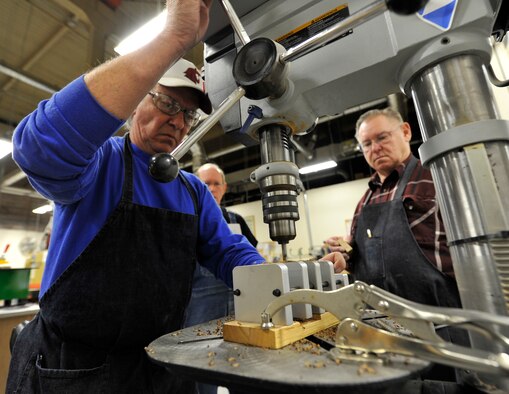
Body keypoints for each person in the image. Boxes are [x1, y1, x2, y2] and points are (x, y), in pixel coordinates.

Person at [5, 2, 267, 393]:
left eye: (188, 115)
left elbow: (230, 252)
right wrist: (172, 38)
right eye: (168, 103)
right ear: (134, 100)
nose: (178, 122)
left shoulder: (191, 189)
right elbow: (38, 148)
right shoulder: (97, 165)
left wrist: (281, 284)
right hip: (75, 371)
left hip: (161, 367)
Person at [325, 107, 466, 381]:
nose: (375, 148)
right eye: (367, 143)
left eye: (382, 138)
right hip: (382, 333)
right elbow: (357, 251)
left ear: (405, 131)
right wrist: (343, 256)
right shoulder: (364, 199)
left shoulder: (435, 179)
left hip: (441, 328)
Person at [184, 163, 258, 394]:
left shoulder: (236, 219)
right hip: (200, 314)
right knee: (205, 373)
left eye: (216, 184)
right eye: (206, 184)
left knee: (244, 371)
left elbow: (250, 255)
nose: (212, 189)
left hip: (240, 310)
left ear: (224, 187)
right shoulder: (187, 220)